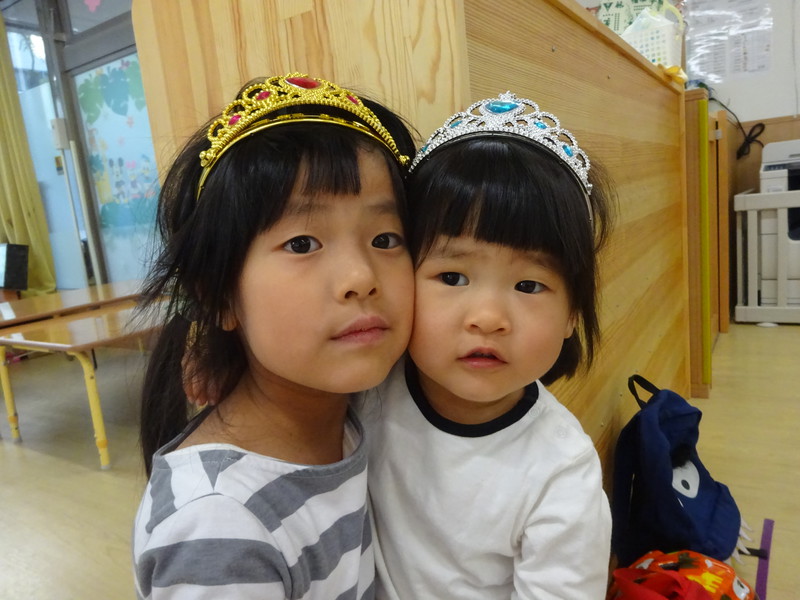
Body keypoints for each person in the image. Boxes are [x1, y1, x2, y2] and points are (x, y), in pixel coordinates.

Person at [132, 73, 417, 599]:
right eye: (303, 243)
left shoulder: (358, 406)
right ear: (220, 296)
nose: (361, 277)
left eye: (385, 238)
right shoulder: (219, 525)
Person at [362, 92, 615, 599]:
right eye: (452, 276)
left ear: (572, 313)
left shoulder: (561, 470)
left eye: (529, 285)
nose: (488, 318)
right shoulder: (368, 385)